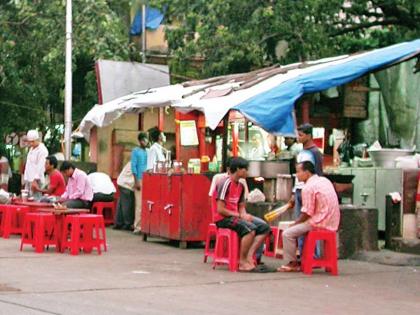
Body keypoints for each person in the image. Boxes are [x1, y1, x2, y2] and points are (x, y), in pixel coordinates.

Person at [278, 161, 340, 272]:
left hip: (319, 222)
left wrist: (295, 223)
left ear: (307, 172)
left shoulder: (308, 188)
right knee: (298, 228)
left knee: (287, 233)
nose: (297, 175)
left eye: (298, 172)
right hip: (333, 221)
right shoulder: (325, 181)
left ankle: (292, 263)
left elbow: (307, 213)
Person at [215, 157, 271, 272]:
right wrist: (240, 216)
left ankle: (249, 256)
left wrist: (244, 215)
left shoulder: (240, 186)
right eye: (245, 169)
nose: (247, 172)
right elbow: (220, 209)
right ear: (238, 170)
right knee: (250, 230)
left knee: (264, 227)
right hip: (223, 219)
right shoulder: (225, 183)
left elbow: (241, 207)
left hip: (236, 216)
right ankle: (242, 261)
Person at [289, 123, 323, 256]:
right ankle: (304, 254)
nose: (298, 138)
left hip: (309, 191)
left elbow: (318, 174)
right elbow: (299, 176)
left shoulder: (315, 153)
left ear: (309, 136)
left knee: (307, 223)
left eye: (301, 135)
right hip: (299, 191)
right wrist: (293, 192)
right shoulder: (302, 152)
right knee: (301, 226)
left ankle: (312, 255)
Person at [131, 132, 149, 234]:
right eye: (144, 139)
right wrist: (136, 181)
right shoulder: (136, 151)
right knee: (139, 204)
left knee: (145, 204)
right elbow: (133, 166)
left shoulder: (148, 151)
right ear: (140, 141)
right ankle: (137, 227)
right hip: (139, 179)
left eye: (146, 139)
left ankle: (144, 226)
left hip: (147, 179)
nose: (145, 141)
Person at [23, 130, 49, 197]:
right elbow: (28, 165)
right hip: (28, 179)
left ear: (38, 139)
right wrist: (26, 179)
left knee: (36, 199)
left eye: (33, 141)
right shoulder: (31, 149)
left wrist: (35, 180)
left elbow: (41, 167)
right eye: (29, 142)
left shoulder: (43, 150)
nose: (31, 144)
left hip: (36, 181)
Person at [114, 162, 135, 230]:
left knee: (121, 205)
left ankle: (118, 223)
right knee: (127, 205)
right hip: (127, 184)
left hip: (122, 182)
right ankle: (128, 224)